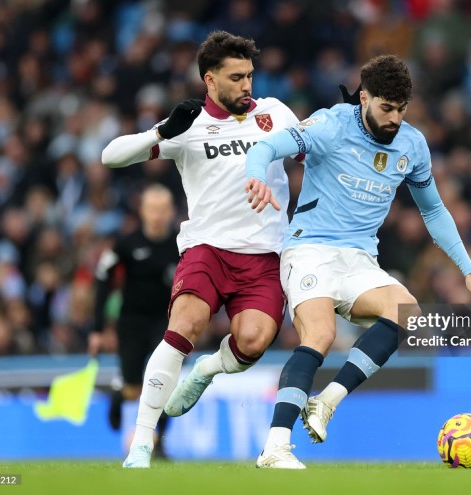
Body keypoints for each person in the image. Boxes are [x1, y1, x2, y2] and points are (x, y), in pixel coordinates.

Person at [245, 55, 471, 469]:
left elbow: (433, 211)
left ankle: (327, 401)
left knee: (407, 313)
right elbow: (269, 145)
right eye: (386, 108)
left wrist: (468, 269)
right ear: (364, 97)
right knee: (321, 335)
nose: (395, 118)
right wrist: (255, 174)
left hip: (359, 257)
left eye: (402, 109)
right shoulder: (331, 125)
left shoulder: (412, 146)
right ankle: (274, 447)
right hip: (310, 248)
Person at [101, 31, 302, 468]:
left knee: (252, 341)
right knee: (185, 324)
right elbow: (110, 157)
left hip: (266, 254)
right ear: (209, 80)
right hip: (207, 249)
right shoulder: (187, 126)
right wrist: (160, 131)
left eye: (250, 75)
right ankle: (141, 443)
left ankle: (208, 370)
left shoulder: (274, 113)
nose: (247, 86)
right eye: (236, 77)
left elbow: (314, 150)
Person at [88, 184, 179, 459]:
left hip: (165, 323)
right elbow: (103, 279)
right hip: (131, 323)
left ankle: (158, 442)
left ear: (171, 212)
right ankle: (120, 394)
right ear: (142, 211)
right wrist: (97, 327)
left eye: (162, 210)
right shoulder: (126, 243)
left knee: (164, 383)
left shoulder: (180, 244)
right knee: (133, 387)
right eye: (152, 209)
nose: (157, 216)